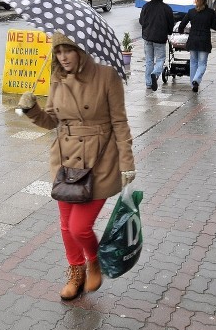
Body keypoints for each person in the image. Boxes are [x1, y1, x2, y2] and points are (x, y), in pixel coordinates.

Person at [16, 32, 135, 301]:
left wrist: (127, 161)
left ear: (81, 50)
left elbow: (120, 123)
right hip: (66, 159)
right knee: (66, 225)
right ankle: (75, 271)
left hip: (99, 160)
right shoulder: (57, 79)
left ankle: (94, 262)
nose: (63, 57)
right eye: (58, 52)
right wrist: (31, 110)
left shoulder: (107, 76)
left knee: (80, 226)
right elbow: (52, 121)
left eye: (68, 51)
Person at [177, 0, 216, 93]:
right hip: (204, 42)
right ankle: (196, 80)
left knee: (193, 63)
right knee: (202, 63)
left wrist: (181, 31)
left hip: (193, 41)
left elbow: (182, 25)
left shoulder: (191, 12)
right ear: (205, 1)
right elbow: (215, 27)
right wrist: (212, 17)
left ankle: (193, 83)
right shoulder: (210, 12)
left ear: (197, 0)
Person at [138, 0, 175, 91]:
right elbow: (171, 24)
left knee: (149, 60)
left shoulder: (146, 6)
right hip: (160, 38)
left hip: (147, 37)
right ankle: (155, 73)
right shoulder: (167, 9)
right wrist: (169, 32)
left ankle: (149, 83)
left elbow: (141, 21)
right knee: (160, 58)